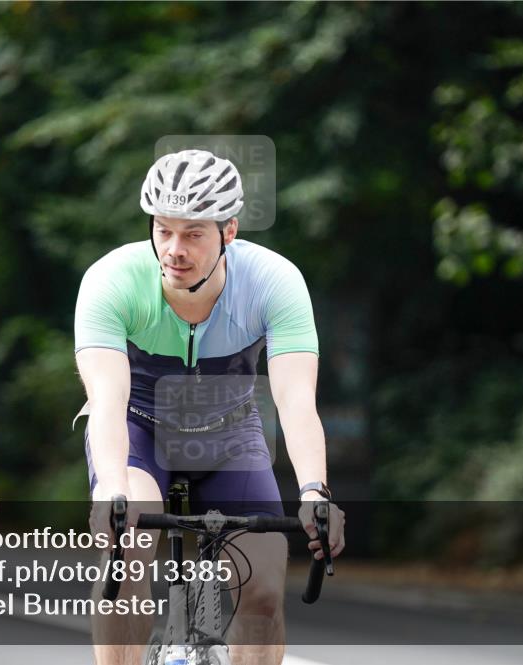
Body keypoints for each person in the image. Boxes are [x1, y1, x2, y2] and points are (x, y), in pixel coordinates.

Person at [74, 149, 346, 665]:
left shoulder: (273, 282)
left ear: (229, 232)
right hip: (138, 430)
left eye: (194, 233)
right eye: (163, 230)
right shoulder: (111, 281)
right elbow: (107, 401)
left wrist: (314, 488)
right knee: (127, 551)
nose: (174, 250)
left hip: (229, 434)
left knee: (264, 589)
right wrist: (112, 488)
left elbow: (295, 400)